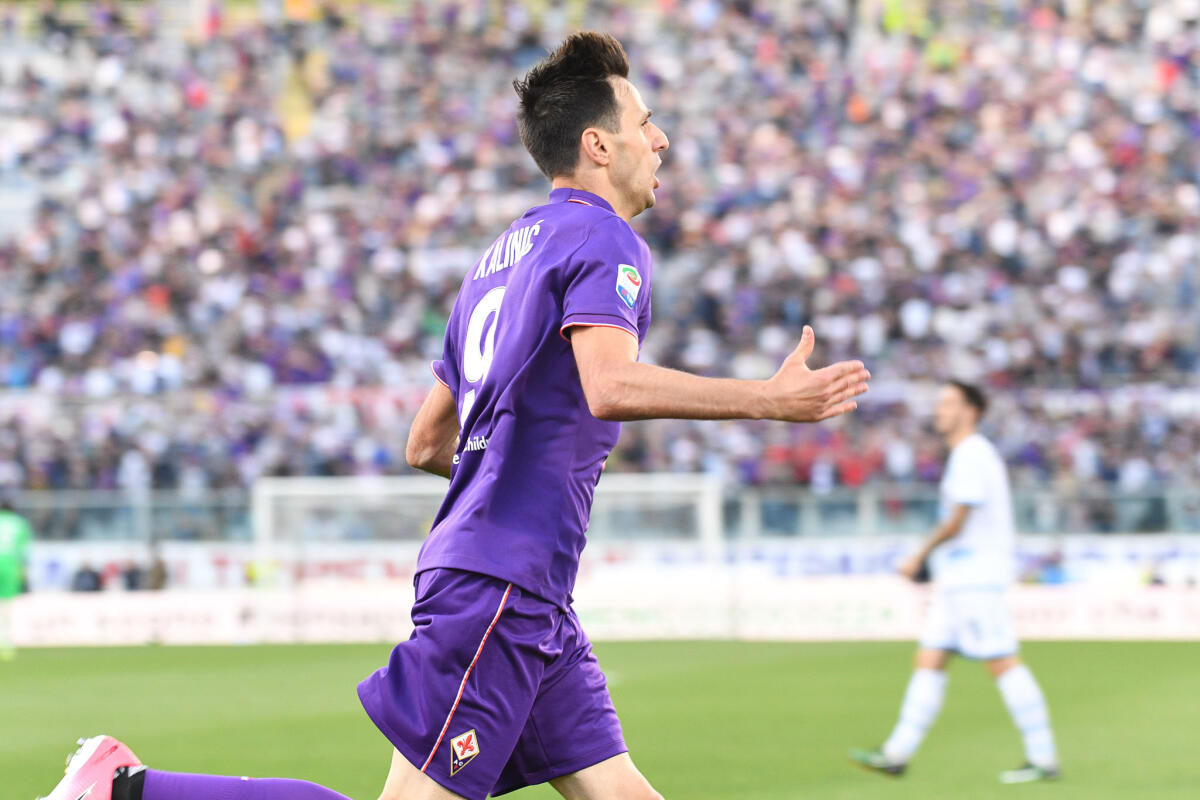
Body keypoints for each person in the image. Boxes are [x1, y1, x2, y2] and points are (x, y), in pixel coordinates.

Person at [39, 32, 869, 800]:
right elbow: (609, 387)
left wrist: (526, 468)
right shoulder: (608, 240)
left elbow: (425, 441)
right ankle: (123, 789)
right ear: (597, 144)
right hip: (502, 582)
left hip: (523, 586)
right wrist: (765, 398)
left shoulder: (496, 260)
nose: (661, 142)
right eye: (646, 123)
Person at [850, 381, 1060, 784]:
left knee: (1001, 660)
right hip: (957, 578)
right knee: (930, 657)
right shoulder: (967, 455)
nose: (939, 411)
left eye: (948, 403)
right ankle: (896, 753)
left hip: (975, 576)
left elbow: (958, 520)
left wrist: (919, 554)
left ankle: (1044, 757)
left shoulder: (972, 453)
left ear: (971, 411)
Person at [0, 498, 32, 660]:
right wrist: (24, 571)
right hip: (11, 565)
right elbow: (23, 551)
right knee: (6, 605)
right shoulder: (20, 524)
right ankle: (5, 643)